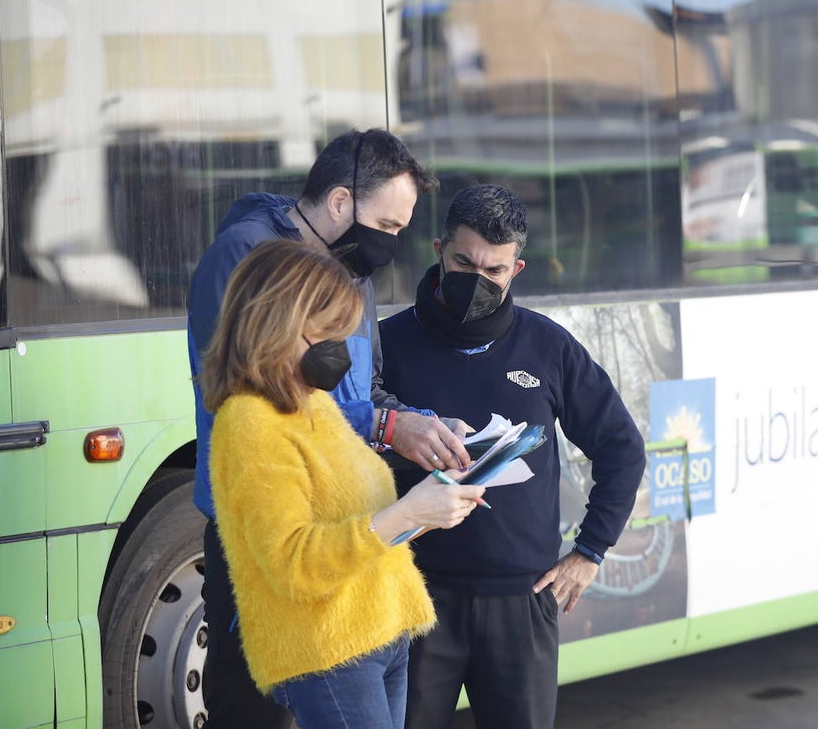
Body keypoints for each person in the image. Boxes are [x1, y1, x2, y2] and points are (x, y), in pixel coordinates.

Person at [187, 129, 472, 729]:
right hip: (276, 530)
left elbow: (360, 389)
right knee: (250, 710)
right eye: (388, 226)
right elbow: (265, 396)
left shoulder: (350, 266)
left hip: (351, 560)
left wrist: (407, 424)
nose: (391, 244)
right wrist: (387, 428)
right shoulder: (249, 258)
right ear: (341, 203)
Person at [379, 184, 647, 729]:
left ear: (516, 269)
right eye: (463, 262)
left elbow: (622, 448)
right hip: (412, 597)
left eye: (494, 270)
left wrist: (591, 551)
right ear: (438, 249)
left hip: (521, 601)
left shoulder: (549, 348)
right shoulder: (386, 343)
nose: (477, 280)